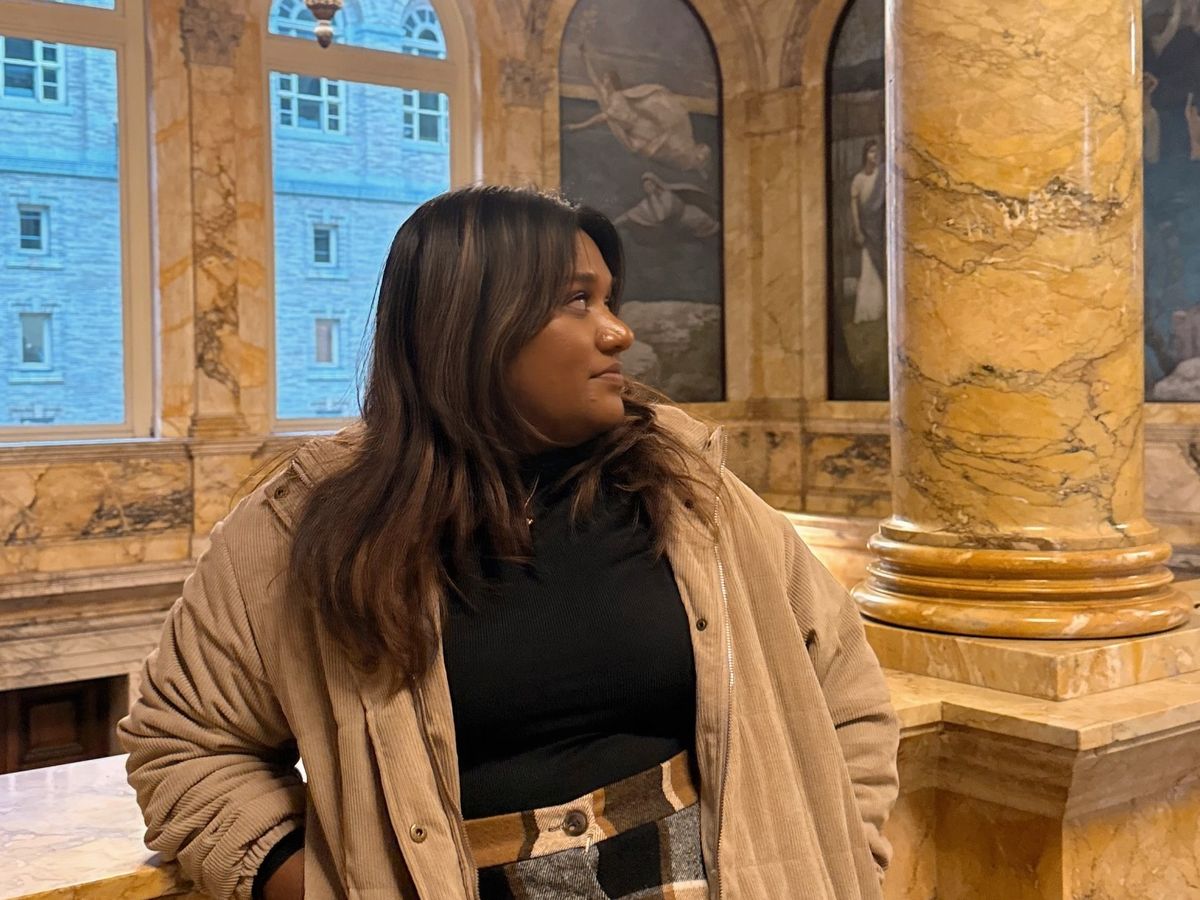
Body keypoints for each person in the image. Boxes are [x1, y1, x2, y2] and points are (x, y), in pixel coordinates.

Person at [119, 185, 899, 900]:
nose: (619, 332)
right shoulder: (302, 527)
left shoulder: (690, 491)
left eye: (610, 300)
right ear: (473, 326)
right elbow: (184, 747)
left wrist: (840, 859)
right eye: (578, 301)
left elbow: (845, 686)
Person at [849, 139, 886, 324]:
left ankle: (881, 310)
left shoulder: (881, 176)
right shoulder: (859, 179)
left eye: (876, 151)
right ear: (865, 155)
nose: (875, 155)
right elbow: (854, 207)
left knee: (881, 267)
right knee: (867, 268)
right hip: (866, 230)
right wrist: (858, 230)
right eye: (871, 152)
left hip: (880, 229)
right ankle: (867, 311)